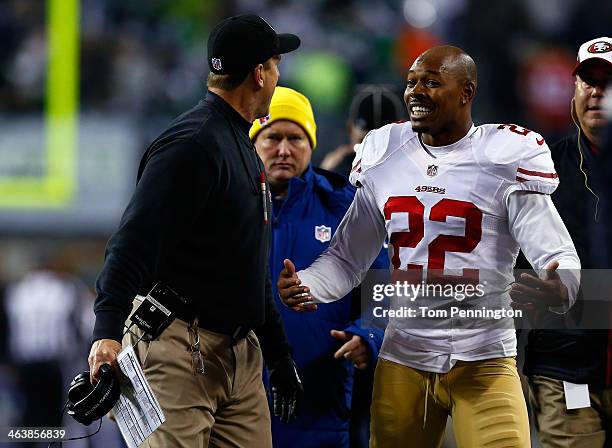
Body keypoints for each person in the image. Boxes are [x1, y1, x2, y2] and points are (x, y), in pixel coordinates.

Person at [277, 45, 581, 447]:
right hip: (405, 357)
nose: (416, 92)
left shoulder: (505, 154)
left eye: (432, 83)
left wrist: (559, 288)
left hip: (485, 358)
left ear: (467, 92)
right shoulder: (384, 152)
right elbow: (348, 258)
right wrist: (309, 284)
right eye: (412, 82)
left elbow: (558, 255)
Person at [88, 15, 301, 447]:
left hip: (240, 357)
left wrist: (278, 356)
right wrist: (106, 334)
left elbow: (247, 266)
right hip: (178, 350)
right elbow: (132, 244)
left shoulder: (239, 142)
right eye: (276, 64)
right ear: (259, 73)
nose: (279, 76)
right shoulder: (193, 144)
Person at [249, 86, 385, 447]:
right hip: (241, 400)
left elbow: (383, 283)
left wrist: (367, 335)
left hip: (322, 398)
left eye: (295, 138)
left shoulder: (345, 205)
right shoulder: (228, 206)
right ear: (254, 143)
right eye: (272, 137)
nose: (283, 149)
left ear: (311, 144)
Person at [522, 36, 612, 447]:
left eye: (607, 82)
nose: (596, 91)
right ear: (573, 89)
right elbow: (511, 275)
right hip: (564, 372)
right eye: (587, 81)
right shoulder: (541, 172)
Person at [319, 85, 405, 176]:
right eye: (364, 142)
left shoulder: (337, 172)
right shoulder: (414, 167)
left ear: (350, 128)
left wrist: (325, 173)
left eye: (383, 141)